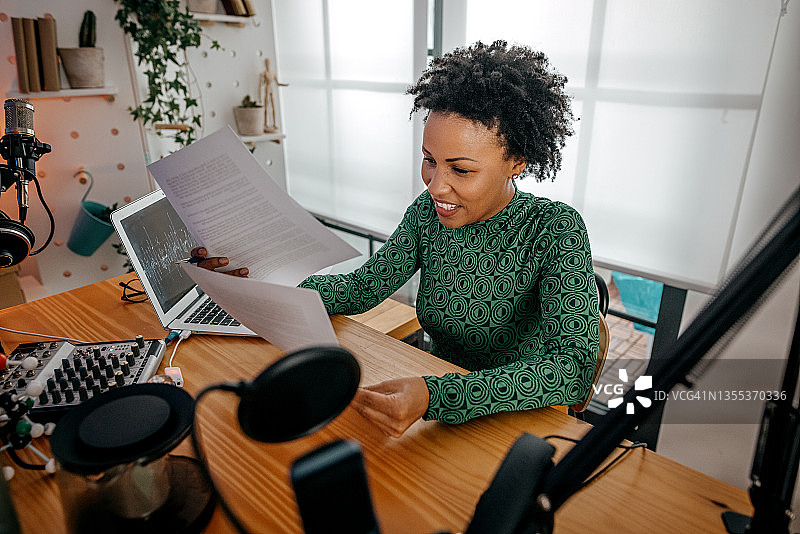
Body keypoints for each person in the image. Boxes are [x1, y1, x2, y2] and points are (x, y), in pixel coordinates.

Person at [193, 40, 599, 438]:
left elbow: (572, 370)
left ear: (517, 162)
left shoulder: (553, 228)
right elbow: (362, 287)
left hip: (521, 422)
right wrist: (267, 281)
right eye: (429, 160)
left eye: (460, 170)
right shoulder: (429, 214)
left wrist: (437, 395)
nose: (436, 186)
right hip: (438, 415)